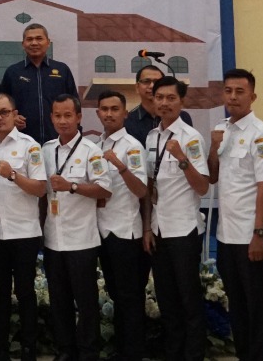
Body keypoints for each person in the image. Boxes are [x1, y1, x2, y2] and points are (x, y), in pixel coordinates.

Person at [209, 69, 263, 361]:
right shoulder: (221, 129)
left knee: (257, 305)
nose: (233, 97)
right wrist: (214, 146)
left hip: (252, 235)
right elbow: (212, 176)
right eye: (228, 91)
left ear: (253, 96)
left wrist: (259, 233)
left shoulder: (261, 134)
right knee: (236, 304)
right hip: (226, 235)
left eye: (240, 91)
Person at [144, 76, 210, 361]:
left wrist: (182, 158)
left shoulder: (191, 137)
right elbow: (150, 185)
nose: (164, 103)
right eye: (159, 97)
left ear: (181, 101)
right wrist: (147, 227)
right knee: (167, 299)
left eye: (171, 98)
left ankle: (193, 355)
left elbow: (203, 186)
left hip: (184, 229)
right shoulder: (152, 136)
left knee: (188, 299)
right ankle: (173, 353)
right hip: (159, 228)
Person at [41, 93, 110, 361]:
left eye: (68, 115)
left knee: (86, 301)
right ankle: (65, 350)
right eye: (58, 116)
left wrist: (71, 186)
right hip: (53, 238)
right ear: (51, 118)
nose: (63, 121)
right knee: (59, 300)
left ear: (79, 117)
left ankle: (88, 352)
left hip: (82, 239)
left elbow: (105, 189)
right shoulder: (46, 149)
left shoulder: (91, 151)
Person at [0, 92, 45, 361]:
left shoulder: (30, 146)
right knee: (0, 293)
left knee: (25, 293)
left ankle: (29, 349)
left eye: (4, 112)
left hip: (24, 232)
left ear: (15, 114)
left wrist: (14, 175)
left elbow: (40, 188)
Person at [94, 91, 149, 361]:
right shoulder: (96, 145)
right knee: (116, 294)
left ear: (125, 113)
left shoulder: (132, 146)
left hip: (125, 231)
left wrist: (121, 166)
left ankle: (134, 352)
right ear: (98, 113)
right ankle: (121, 349)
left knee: (130, 296)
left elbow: (141, 190)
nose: (109, 114)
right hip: (102, 230)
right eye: (104, 109)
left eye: (115, 109)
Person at [0, 24, 79, 145]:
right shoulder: (13, 72)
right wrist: (11, 119)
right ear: (23, 44)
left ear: (48, 42)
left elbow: (75, 105)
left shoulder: (62, 70)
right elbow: (1, 106)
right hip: (21, 142)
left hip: (58, 140)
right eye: (29, 39)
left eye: (39, 38)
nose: (34, 43)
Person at [124, 63, 194, 142]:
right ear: (137, 87)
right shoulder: (128, 121)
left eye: (156, 82)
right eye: (146, 81)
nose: (152, 86)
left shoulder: (182, 117)